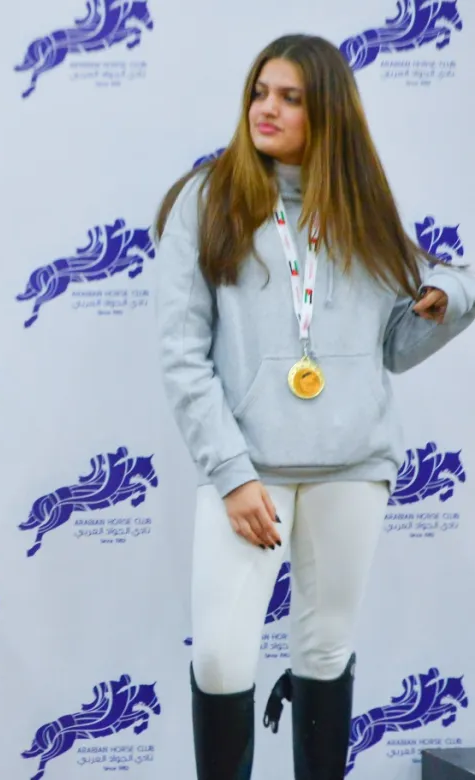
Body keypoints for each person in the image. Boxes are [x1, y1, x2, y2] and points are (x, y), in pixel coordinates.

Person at [153, 34, 475, 780]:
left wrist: (450, 297)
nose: (265, 108)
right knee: (221, 657)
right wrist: (232, 475)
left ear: (328, 111)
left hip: (352, 466)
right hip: (248, 471)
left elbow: (393, 347)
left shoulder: (361, 208)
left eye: (290, 97)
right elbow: (181, 354)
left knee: (324, 652)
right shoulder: (206, 200)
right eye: (259, 92)